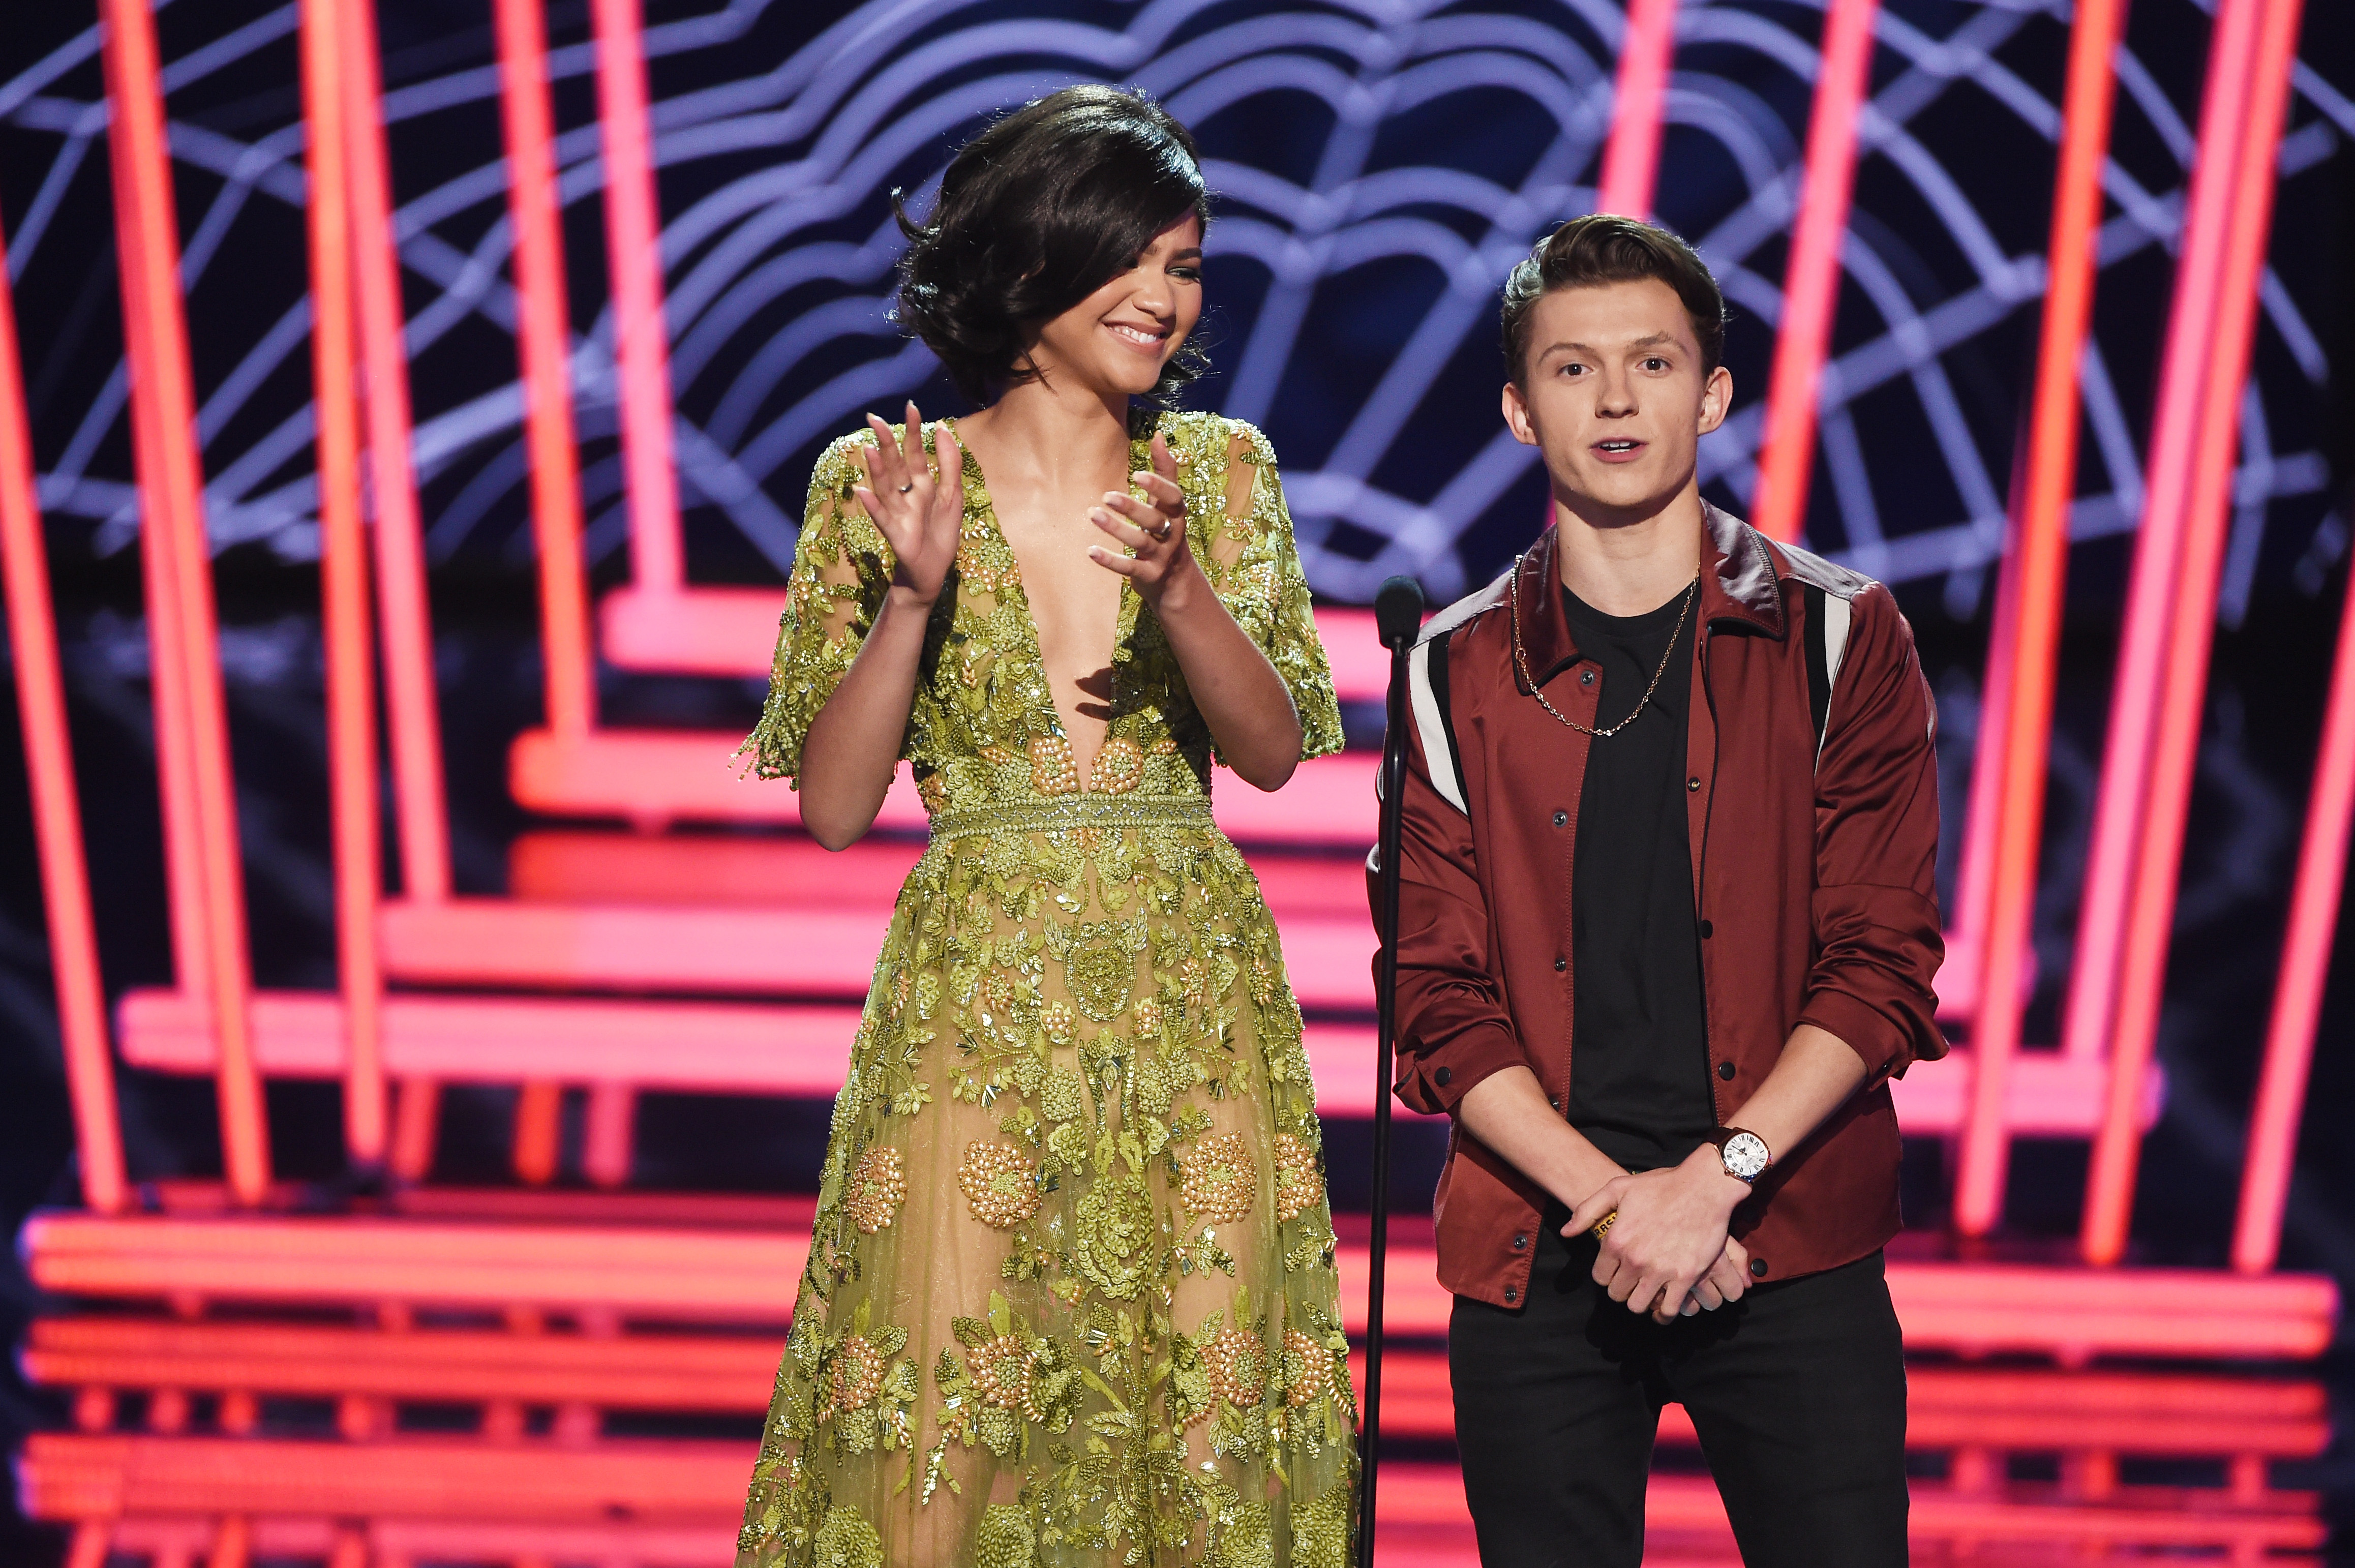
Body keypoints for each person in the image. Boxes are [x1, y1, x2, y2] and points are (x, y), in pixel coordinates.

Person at [735, 86, 1358, 1568]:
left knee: (1203, 1394)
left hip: (1188, 979)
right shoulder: (879, 482)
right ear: (1030, 265)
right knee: (950, 1397)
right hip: (978, 986)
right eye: (1132, 257)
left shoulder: (1218, 474)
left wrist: (1186, 594)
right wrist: (907, 596)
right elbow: (833, 808)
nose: (1164, 294)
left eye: (1186, 264)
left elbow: (1272, 758)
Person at [1381, 214, 1945, 1566]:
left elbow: (1882, 960)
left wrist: (1717, 1179)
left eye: (1653, 361)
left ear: (1715, 392)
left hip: (1787, 1234)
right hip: (1542, 1251)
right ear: (1521, 412)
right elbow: (1433, 995)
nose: (1618, 398)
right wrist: (1623, 1201)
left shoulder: (1838, 631)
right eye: (1573, 370)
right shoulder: (1449, 667)